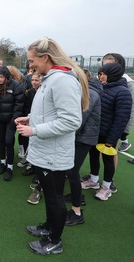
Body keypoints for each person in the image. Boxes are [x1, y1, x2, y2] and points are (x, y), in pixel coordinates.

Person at [16, 38, 89, 255]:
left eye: (32, 60)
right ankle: (48, 228)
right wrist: (30, 119)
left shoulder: (62, 81)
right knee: (50, 195)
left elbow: (71, 121)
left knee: (55, 197)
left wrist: (35, 130)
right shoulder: (51, 79)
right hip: (46, 151)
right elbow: (49, 112)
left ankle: (54, 241)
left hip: (53, 154)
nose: (31, 66)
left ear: (45, 57)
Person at [82, 63, 132, 201]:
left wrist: (112, 139)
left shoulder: (123, 92)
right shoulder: (101, 87)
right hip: (96, 131)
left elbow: (121, 118)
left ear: (113, 74)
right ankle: (93, 180)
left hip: (109, 134)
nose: (101, 77)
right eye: (100, 74)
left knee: (108, 160)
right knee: (93, 155)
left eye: (104, 74)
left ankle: (106, 187)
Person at [64, 68, 101, 226]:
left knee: (72, 171)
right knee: (71, 171)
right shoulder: (85, 93)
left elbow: (79, 120)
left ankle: (77, 212)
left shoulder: (90, 95)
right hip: (79, 137)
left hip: (83, 139)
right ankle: (76, 197)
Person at [0, 65, 24, 181]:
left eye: (2, 77)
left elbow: (19, 106)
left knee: (9, 141)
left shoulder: (16, 86)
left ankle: (10, 167)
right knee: (1, 141)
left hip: (10, 121)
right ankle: (3, 163)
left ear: (6, 76)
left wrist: (14, 120)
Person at [102, 53, 134, 152]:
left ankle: (125, 141)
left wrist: (124, 130)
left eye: (109, 66)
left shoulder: (128, 84)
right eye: (104, 66)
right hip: (101, 125)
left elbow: (129, 109)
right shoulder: (102, 80)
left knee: (111, 153)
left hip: (113, 126)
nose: (106, 68)